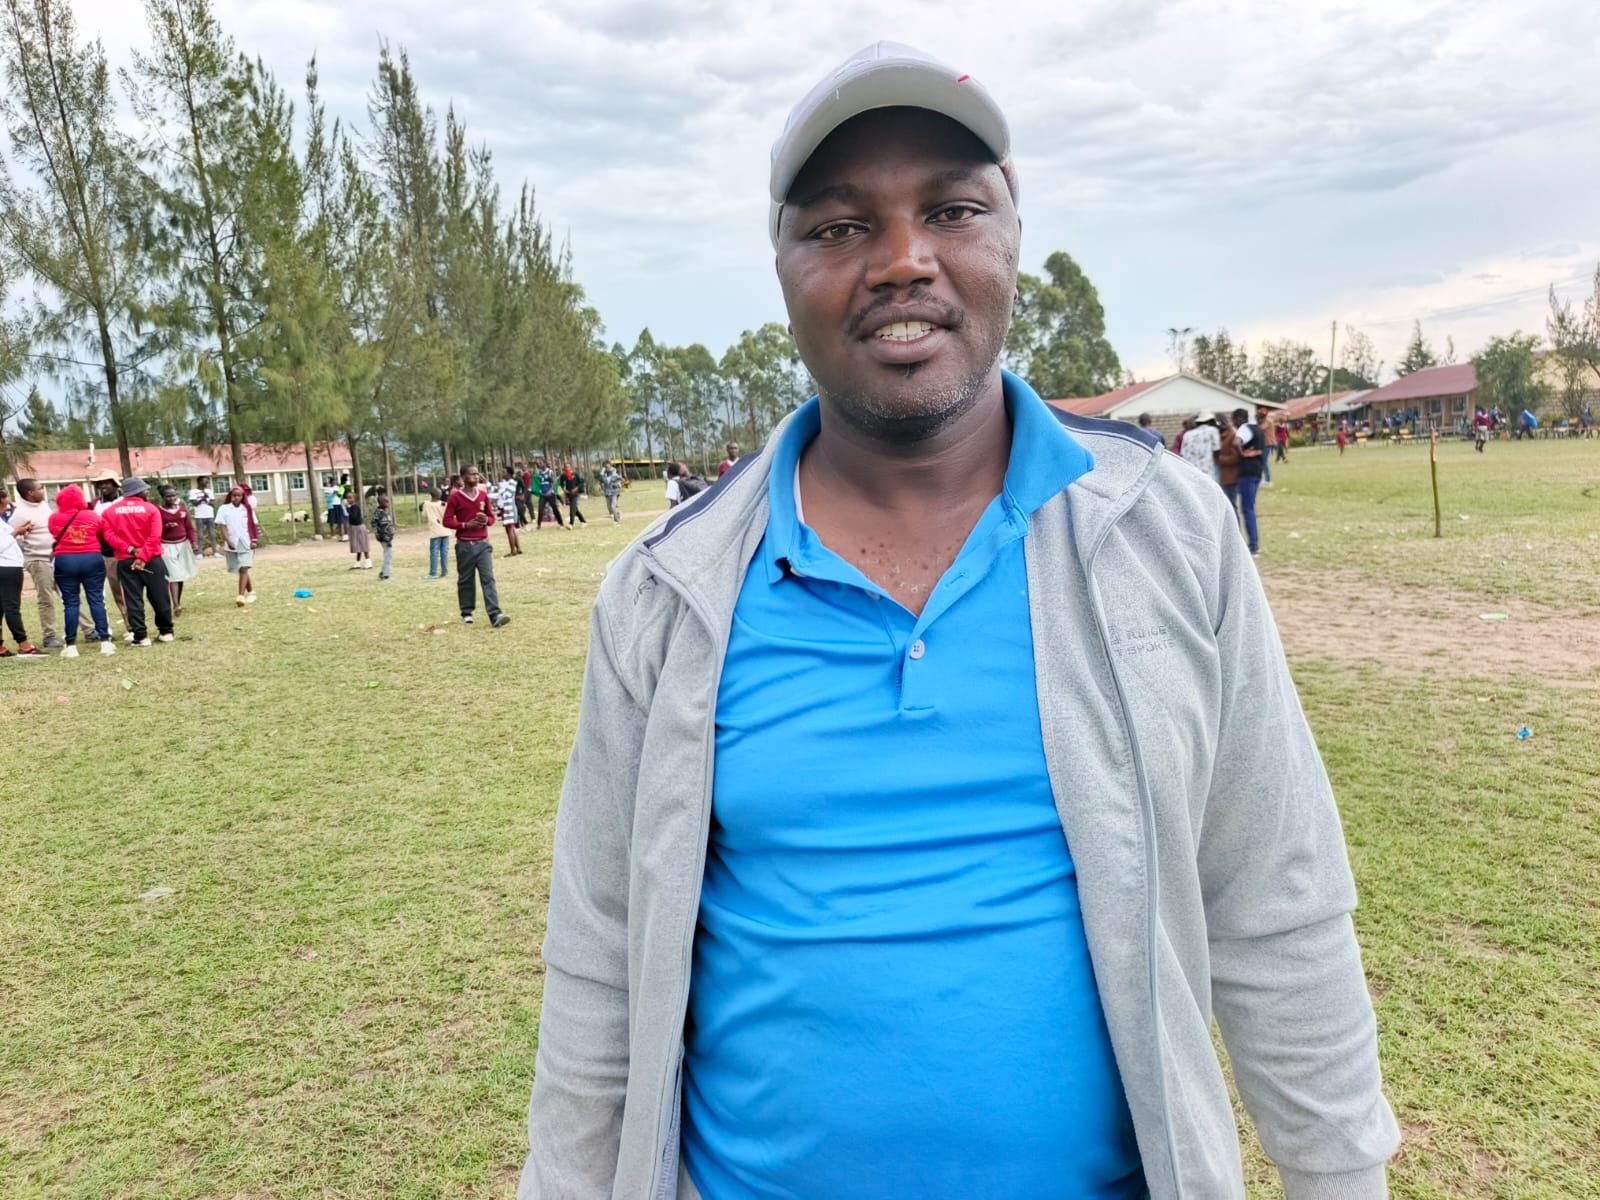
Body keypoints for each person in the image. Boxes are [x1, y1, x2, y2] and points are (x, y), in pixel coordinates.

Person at [521, 42, 1395, 1200]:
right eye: (838, 225)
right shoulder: (666, 593)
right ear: (781, 266)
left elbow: (1277, 910)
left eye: (950, 208)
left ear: (1009, 235)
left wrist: (1338, 1177)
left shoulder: (1167, 537)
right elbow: (599, 969)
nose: (901, 261)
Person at [99, 477, 173, 646]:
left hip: (126, 561)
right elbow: (155, 536)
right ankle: (166, 631)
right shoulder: (151, 509)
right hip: (152, 559)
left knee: (132, 599)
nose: (148, 491)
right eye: (145, 489)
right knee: (160, 595)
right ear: (138, 491)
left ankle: (141, 636)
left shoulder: (109, 512)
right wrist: (143, 556)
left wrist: (131, 550)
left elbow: (109, 536)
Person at [48, 484, 115, 657]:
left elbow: (55, 535)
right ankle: (105, 642)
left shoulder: (54, 518)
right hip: (92, 558)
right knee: (96, 600)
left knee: (70, 603)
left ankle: (70, 645)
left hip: (65, 560)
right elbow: (103, 533)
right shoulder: (93, 515)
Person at [443, 467, 509, 627]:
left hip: (482, 544)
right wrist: (465, 524)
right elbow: (447, 520)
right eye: (472, 474)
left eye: (477, 474)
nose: (476, 476)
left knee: (488, 578)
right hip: (465, 545)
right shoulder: (455, 498)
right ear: (464, 477)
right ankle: (466, 612)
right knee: (466, 579)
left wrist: (486, 520)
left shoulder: (483, 495)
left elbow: (492, 518)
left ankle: (495, 614)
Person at [10, 477, 64, 649]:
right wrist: (29, 553)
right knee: (46, 597)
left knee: (69, 594)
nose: (43, 491)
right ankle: (49, 635)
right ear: (30, 493)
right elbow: (13, 538)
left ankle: (89, 630)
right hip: (38, 559)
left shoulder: (43, 506)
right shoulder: (20, 513)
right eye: (40, 488)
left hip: (55, 555)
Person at [0, 484, 43, 657]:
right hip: (7, 568)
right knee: (12, 606)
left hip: (8, 566)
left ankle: (0, 646)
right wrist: (15, 533)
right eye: (4, 504)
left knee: (1, 608)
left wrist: (21, 530)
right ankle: (23, 644)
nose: (8, 507)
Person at [90, 469, 129, 626]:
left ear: (115, 484)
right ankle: (122, 625)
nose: (103, 486)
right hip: (103, 553)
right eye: (100, 483)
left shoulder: (125, 502)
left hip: (124, 552)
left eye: (107, 482)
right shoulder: (94, 504)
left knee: (128, 591)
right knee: (112, 591)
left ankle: (134, 624)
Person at [156, 485, 200, 616]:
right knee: (173, 575)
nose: (172, 498)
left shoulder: (182, 510)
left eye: (174, 495)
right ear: (163, 497)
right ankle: (175, 604)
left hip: (183, 545)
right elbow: (156, 530)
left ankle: (178, 602)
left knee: (180, 575)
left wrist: (194, 542)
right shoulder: (159, 511)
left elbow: (190, 528)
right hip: (167, 546)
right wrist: (166, 527)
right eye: (168, 496)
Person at [1231, 407, 1265, 555]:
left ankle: (1253, 545)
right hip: (1257, 471)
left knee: (1247, 508)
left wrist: (1242, 454)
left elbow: (1236, 442)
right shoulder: (1258, 429)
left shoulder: (1244, 428)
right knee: (1249, 507)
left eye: (1234, 420)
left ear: (1239, 419)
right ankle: (1254, 543)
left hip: (1247, 473)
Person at [216, 486, 256, 604]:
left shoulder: (247, 509)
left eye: (239, 495)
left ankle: (240, 596)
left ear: (243, 497)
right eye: (234, 495)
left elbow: (254, 525)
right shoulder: (224, 509)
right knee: (240, 569)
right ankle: (251, 592)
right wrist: (228, 541)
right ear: (230, 496)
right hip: (232, 542)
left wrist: (254, 540)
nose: (236, 498)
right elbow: (222, 526)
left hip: (246, 542)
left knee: (244, 567)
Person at [1179, 411, 1221, 481]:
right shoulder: (1212, 431)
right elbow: (1217, 450)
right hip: (1207, 473)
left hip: (1191, 474)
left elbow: (1182, 455)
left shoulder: (1187, 435)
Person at [188, 475, 218, 556]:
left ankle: (215, 552)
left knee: (212, 534)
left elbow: (212, 503)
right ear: (200, 481)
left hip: (209, 515)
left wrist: (206, 499)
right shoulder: (193, 491)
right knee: (200, 535)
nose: (207, 482)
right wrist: (202, 498)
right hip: (199, 516)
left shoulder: (209, 491)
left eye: (207, 481)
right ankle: (200, 553)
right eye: (205, 481)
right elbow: (194, 503)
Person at [497, 467, 523, 555]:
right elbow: (496, 490)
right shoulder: (504, 483)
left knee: (510, 529)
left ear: (509, 474)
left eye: (504, 472)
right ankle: (518, 548)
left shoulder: (512, 483)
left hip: (509, 508)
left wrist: (499, 491)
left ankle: (513, 550)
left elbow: (506, 495)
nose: (502, 473)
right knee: (511, 528)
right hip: (506, 507)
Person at [423, 489, 450, 578]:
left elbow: (424, 515)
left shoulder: (427, 504)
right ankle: (444, 572)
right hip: (445, 530)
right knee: (444, 552)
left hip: (435, 531)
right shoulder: (444, 504)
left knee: (434, 552)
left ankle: (433, 573)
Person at [346, 493, 372, 570]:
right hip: (354, 528)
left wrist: (348, 510)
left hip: (359, 528)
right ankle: (357, 563)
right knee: (357, 546)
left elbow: (354, 517)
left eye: (350, 498)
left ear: (354, 499)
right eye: (347, 498)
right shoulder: (351, 507)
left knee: (363, 545)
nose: (348, 500)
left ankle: (368, 562)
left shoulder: (355, 507)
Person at [536, 461, 566, 528]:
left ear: (545, 464)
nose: (539, 464)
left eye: (541, 463)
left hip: (550, 493)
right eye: (539, 464)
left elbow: (553, 482)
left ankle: (561, 523)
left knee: (555, 508)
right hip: (543, 494)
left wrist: (550, 490)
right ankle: (538, 525)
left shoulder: (550, 472)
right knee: (540, 508)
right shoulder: (540, 473)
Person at [372, 494, 396, 579]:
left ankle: (383, 572)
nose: (388, 503)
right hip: (385, 538)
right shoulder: (381, 514)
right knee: (388, 556)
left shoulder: (379, 513)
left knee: (387, 554)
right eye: (386, 502)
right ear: (381, 503)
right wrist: (387, 539)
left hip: (383, 538)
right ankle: (386, 575)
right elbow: (384, 528)